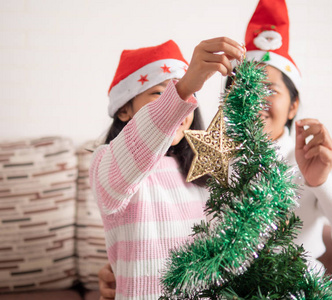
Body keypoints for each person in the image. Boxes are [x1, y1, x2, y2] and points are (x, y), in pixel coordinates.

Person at [97, 0, 332, 299]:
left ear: (294, 105)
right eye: (242, 88)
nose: (254, 99)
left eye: (270, 90)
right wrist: (123, 269)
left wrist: (322, 183)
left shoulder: (317, 163)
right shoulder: (209, 160)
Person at [89, 38, 244, 300]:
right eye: (159, 93)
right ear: (125, 109)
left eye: (190, 97)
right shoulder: (108, 161)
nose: (182, 106)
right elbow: (133, 153)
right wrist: (182, 89)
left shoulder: (204, 169)